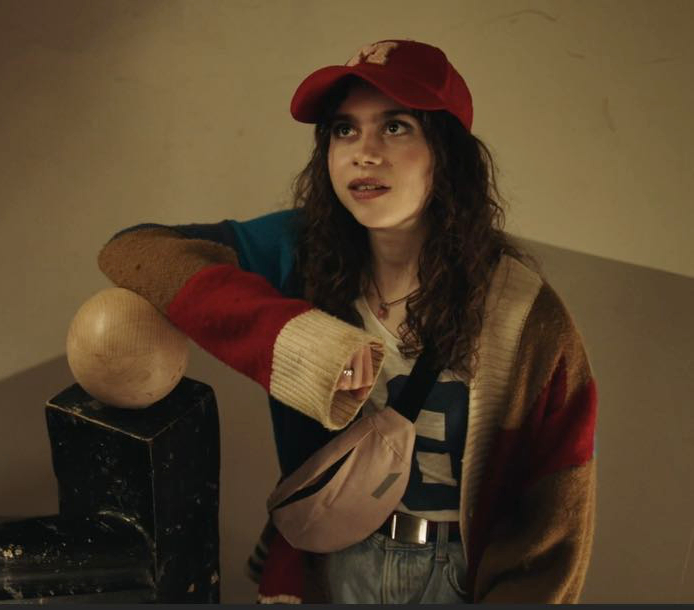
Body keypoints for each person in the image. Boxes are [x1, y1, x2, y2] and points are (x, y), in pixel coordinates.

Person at [97, 39, 597, 604]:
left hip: (461, 577)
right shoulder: (303, 253)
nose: (364, 152)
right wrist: (292, 337)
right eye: (344, 130)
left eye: (396, 127)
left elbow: (556, 512)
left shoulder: (525, 314)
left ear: (447, 154)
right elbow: (134, 249)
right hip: (331, 562)